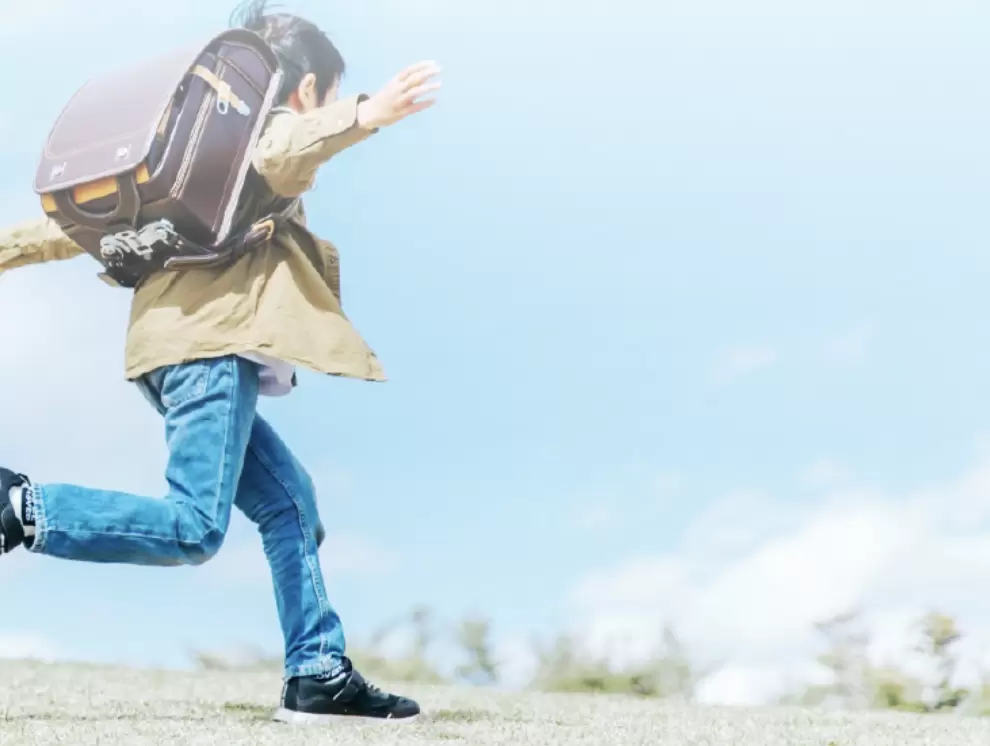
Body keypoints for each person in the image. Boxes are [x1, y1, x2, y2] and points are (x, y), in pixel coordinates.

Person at [0, 0, 441, 726]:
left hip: (171, 351)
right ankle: (19, 510)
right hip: (206, 350)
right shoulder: (258, 145)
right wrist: (369, 113)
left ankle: (317, 674)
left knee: (289, 502)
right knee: (192, 528)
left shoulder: (189, 163)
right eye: (328, 91)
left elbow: (66, 228)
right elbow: (286, 146)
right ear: (307, 90)